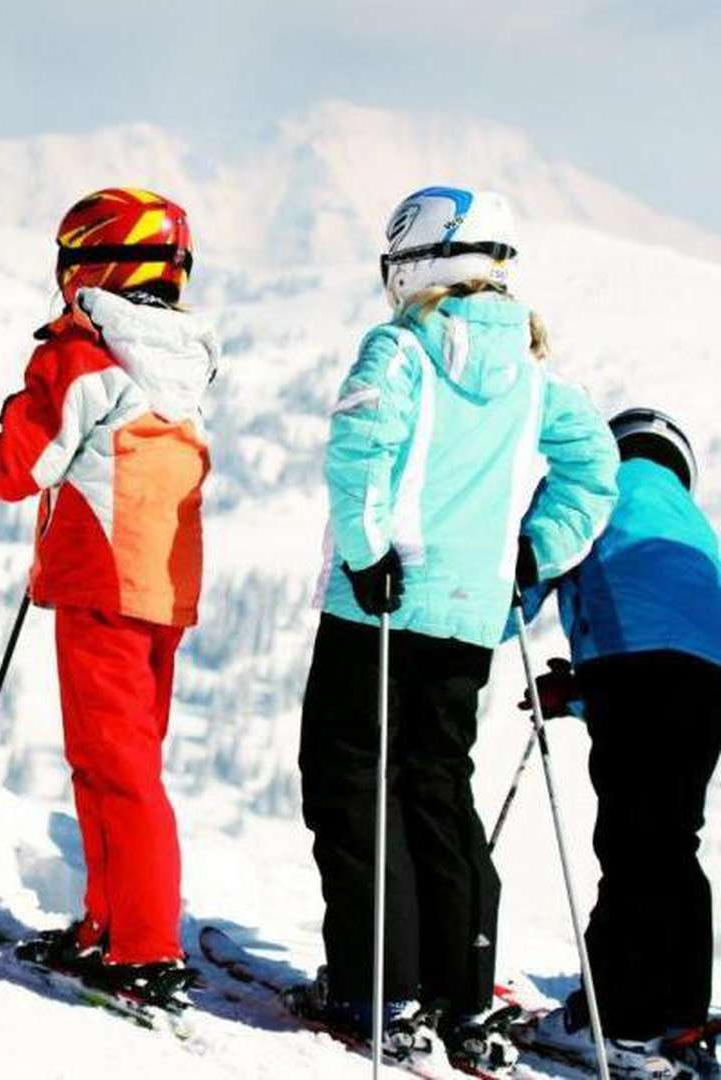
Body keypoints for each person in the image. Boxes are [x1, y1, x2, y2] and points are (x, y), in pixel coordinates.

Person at [297, 186, 619, 1070]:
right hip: (472, 612)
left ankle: (378, 989)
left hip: (383, 602)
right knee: (437, 786)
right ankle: (461, 993)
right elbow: (596, 467)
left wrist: (368, 552)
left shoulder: (400, 349)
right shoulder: (534, 374)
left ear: (418, 263)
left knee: (352, 784)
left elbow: (361, 444)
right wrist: (532, 552)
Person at [0, 187, 219, 1006]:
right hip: (163, 584)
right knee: (121, 760)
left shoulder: (84, 352)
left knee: (117, 769)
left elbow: (17, 469)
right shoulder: (179, 351)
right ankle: (111, 925)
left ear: (91, 263)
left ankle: (143, 945)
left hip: (102, 578)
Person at [517, 408, 721, 1078]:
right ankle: (680, 1017)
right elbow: (672, 642)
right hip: (705, 682)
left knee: (633, 844)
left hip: (634, 671)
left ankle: (618, 1022)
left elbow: (530, 575)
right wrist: (579, 694)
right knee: (669, 840)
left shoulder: (594, 477)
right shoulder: (693, 523)